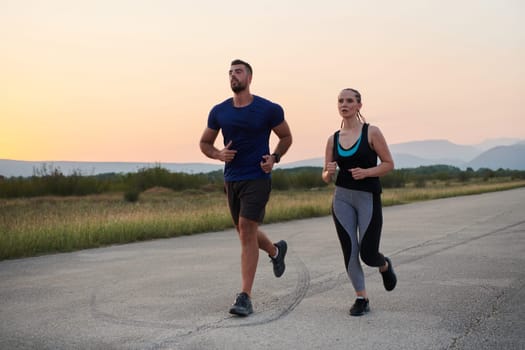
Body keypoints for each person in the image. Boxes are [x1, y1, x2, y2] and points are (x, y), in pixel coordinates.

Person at [199, 59, 293, 317]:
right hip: (232, 178)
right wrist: (218, 155)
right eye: (229, 73)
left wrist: (274, 158)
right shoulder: (219, 111)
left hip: (257, 177)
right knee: (244, 232)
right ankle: (275, 250)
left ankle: (245, 297)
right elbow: (205, 142)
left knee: (247, 230)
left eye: (238, 72)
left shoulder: (268, 109)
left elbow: (286, 136)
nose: (233, 76)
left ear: (249, 78)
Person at [321, 88, 397, 316]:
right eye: (340, 101)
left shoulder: (371, 132)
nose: (344, 104)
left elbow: (388, 164)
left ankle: (384, 265)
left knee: (368, 253)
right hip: (342, 198)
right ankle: (361, 297)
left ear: (359, 106)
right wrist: (328, 172)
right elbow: (325, 176)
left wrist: (366, 173)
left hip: (368, 197)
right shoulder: (333, 139)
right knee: (351, 250)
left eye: (349, 101)